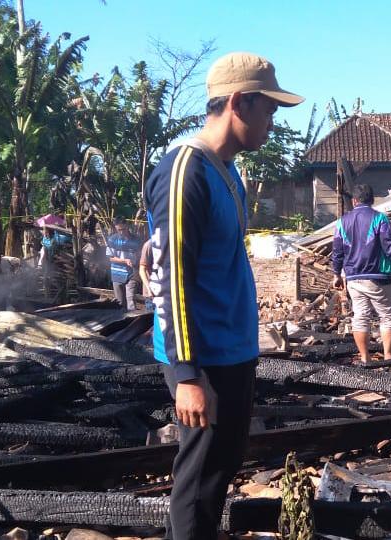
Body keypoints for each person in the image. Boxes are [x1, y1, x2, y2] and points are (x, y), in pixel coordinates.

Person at [144, 51, 303, 540]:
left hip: (233, 349)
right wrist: (186, 373)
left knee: (223, 465)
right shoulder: (184, 170)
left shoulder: (227, 169)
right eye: (269, 110)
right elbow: (169, 279)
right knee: (197, 480)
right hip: (203, 357)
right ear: (239, 103)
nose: (272, 123)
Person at [331, 184, 391, 364]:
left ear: (354, 201)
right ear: (372, 200)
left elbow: (337, 251)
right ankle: (388, 357)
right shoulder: (380, 218)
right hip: (378, 277)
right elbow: (390, 249)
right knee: (387, 316)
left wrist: (336, 273)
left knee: (360, 317)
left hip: (353, 279)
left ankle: (365, 359)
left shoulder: (342, 222)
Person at [106, 217, 140, 311]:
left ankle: (133, 321)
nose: (121, 232)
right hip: (117, 273)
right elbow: (111, 258)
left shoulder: (136, 239)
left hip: (132, 272)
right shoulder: (112, 240)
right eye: (119, 230)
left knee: (131, 300)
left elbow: (139, 255)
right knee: (119, 302)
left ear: (127, 226)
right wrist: (124, 260)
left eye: (123, 229)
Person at [138, 239, 153, 311]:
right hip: (151, 293)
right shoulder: (149, 245)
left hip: (165, 292)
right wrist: (149, 289)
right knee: (151, 317)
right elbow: (142, 270)